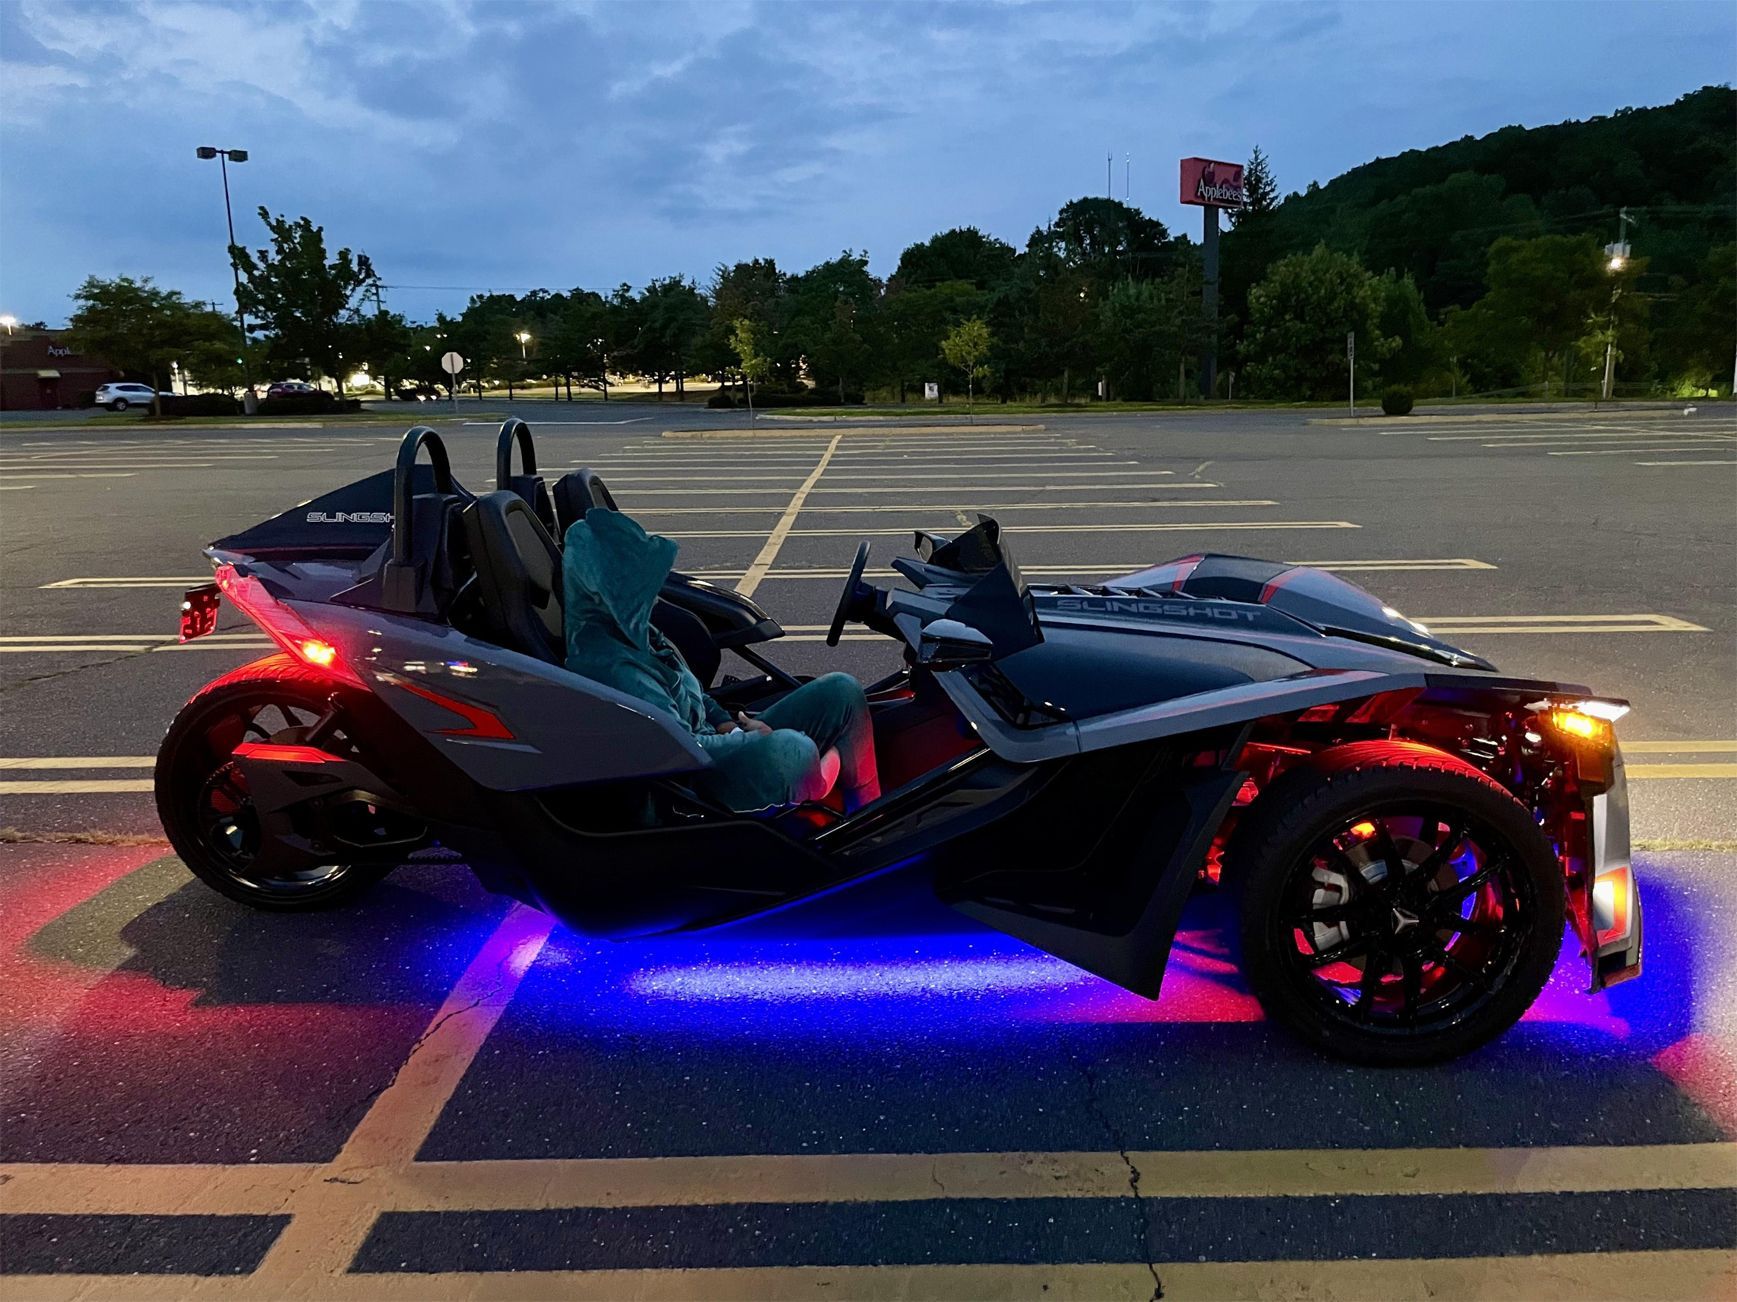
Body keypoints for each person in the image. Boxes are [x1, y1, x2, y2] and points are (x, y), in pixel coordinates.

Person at [562, 507, 880, 813]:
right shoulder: (612, 669)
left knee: (842, 690)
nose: (655, 593)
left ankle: (867, 812)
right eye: (641, 584)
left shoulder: (637, 632)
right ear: (609, 593)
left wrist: (728, 725)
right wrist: (752, 738)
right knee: (793, 751)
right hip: (694, 787)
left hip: (715, 745)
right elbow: (681, 749)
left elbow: (696, 694)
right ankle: (819, 794)